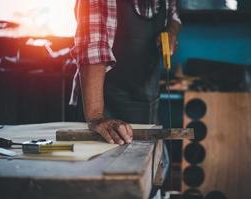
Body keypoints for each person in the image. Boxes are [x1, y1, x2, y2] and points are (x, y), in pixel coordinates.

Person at [70, 0, 181, 145]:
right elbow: (94, 48)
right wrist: (97, 118)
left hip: (148, 105)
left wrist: (170, 33)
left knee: (152, 162)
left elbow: (174, 16)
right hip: (104, 109)